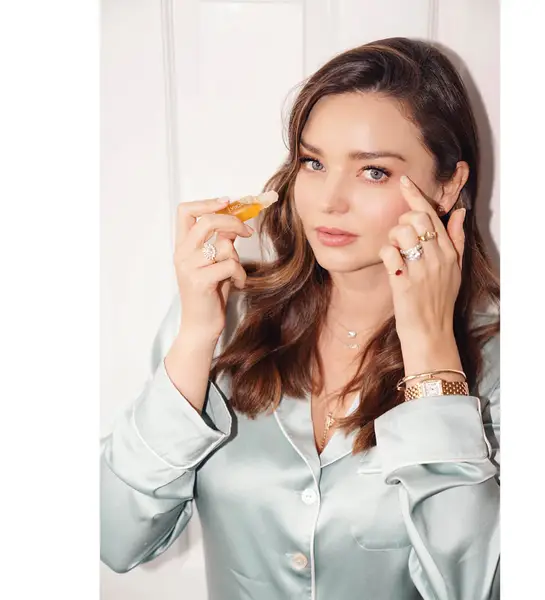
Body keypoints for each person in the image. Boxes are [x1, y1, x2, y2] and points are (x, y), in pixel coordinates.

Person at [101, 37, 500, 600]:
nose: (329, 200)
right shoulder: (228, 316)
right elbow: (115, 538)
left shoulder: (499, 364)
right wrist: (195, 339)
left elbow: (482, 587)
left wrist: (431, 352)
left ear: (449, 185)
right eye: (314, 163)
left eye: (374, 172)